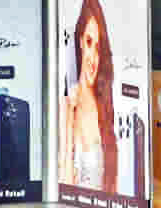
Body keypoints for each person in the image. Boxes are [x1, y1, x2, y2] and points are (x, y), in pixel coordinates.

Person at [59, 0, 117, 192]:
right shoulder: (66, 105)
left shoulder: (105, 110)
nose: (93, 57)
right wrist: (68, 118)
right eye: (89, 42)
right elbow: (63, 183)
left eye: (98, 48)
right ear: (80, 42)